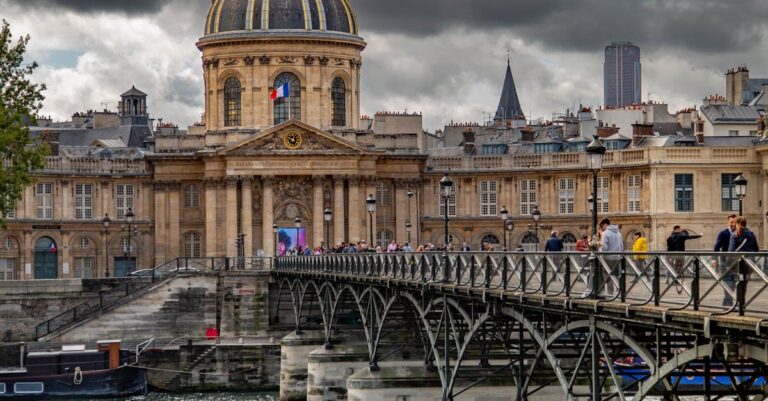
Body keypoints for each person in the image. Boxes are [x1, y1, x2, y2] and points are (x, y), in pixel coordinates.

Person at [715, 215, 738, 306]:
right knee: (727, 281)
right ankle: (728, 300)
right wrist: (714, 259)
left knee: (734, 282)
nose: (733, 224)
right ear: (728, 222)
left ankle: (727, 299)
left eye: (734, 222)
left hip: (736, 262)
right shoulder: (723, 233)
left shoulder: (739, 233)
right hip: (725, 261)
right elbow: (716, 247)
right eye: (731, 222)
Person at [599, 218, 624, 294]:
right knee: (616, 273)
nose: (602, 228)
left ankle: (610, 291)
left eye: (602, 226)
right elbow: (621, 245)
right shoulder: (618, 233)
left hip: (608, 257)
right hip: (617, 256)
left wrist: (601, 254)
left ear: (604, 224)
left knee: (607, 274)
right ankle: (619, 290)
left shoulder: (605, 233)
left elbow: (604, 247)